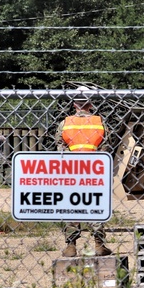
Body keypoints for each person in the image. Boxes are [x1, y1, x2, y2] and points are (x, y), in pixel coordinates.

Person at [56, 87, 110, 257]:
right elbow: (105, 148)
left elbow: (60, 148)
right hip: (93, 169)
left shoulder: (65, 123)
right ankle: (99, 244)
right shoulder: (99, 122)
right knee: (95, 204)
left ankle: (71, 246)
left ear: (74, 104)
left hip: (72, 170)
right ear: (90, 104)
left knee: (72, 205)